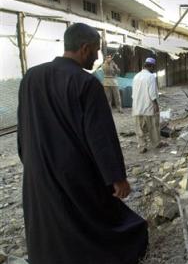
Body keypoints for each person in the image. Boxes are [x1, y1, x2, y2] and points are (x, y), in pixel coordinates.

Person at [17, 23, 148, 264]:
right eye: (96, 50)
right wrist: (116, 178)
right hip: (74, 174)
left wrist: (31, 162)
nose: (98, 57)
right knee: (97, 224)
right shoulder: (86, 83)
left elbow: (24, 127)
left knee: (50, 224)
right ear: (84, 48)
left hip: (39, 170)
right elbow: (101, 138)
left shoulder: (30, 77)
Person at [132, 57, 161, 153]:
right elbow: (152, 93)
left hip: (136, 106)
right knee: (153, 126)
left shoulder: (136, 76)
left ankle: (142, 146)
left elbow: (133, 94)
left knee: (139, 128)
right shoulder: (150, 76)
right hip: (148, 106)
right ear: (151, 66)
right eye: (153, 67)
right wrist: (156, 105)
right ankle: (156, 143)